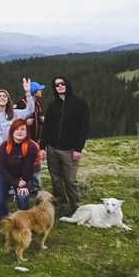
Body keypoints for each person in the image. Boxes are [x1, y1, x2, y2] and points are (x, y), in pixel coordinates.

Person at [39, 76, 90, 211]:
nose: (60, 86)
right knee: (56, 179)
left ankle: (76, 207)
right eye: (57, 85)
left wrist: (78, 148)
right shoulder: (52, 105)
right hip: (52, 148)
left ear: (67, 84)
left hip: (70, 149)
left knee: (70, 180)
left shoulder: (79, 104)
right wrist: (42, 147)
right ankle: (60, 205)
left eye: (62, 83)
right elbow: (46, 128)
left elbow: (84, 128)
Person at [0, 78, 34, 217]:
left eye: (4, 96)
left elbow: (30, 110)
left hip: (18, 155)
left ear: (8, 99)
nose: (2, 98)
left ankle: (23, 218)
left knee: (19, 192)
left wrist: (28, 93)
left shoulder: (16, 113)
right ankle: (5, 217)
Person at [0, 119, 38, 219]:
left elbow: (28, 167)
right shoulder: (5, 145)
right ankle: (6, 219)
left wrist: (23, 183)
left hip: (23, 176)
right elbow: (1, 166)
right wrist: (15, 182)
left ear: (27, 132)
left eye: (23, 129)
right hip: (5, 175)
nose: (19, 132)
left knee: (22, 196)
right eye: (16, 129)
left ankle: (23, 221)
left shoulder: (31, 146)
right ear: (12, 131)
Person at [16, 81, 45, 192]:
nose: (41, 91)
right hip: (24, 141)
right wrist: (24, 122)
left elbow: (39, 116)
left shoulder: (37, 103)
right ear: (33, 92)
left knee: (36, 164)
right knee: (24, 164)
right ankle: (23, 186)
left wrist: (42, 119)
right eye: (39, 89)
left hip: (35, 139)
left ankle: (35, 187)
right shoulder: (21, 103)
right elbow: (15, 121)